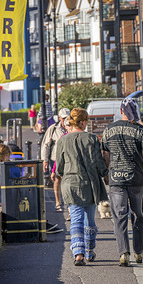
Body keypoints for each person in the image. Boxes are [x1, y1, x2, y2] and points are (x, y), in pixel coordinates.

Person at [101, 97, 143, 267]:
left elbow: (105, 155)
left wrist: (106, 174)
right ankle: (138, 252)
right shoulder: (140, 130)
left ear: (120, 111)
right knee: (138, 216)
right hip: (137, 179)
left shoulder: (108, 130)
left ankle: (124, 253)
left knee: (119, 216)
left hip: (116, 180)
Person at [56, 108, 109, 266]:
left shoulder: (63, 140)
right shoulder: (92, 139)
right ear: (83, 122)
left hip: (70, 185)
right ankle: (89, 251)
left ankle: (77, 253)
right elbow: (98, 162)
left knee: (76, 220)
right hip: (90, 185)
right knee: (89, 221)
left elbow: (59, 167)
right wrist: (105, 173)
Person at [41, 108, 70, 211]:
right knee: (57, 180)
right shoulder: (53, 129)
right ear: (59, 118)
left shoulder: (72, 128)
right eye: (64, 118)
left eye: (68, 118)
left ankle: (69, 205)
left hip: (69, 158)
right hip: (55, 158)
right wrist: (45, 160)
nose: (66, 120)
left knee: (68, 181)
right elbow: (46, 145)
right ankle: (58, 203)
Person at [50, 117, 72, 219]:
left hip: (73, 169)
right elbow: (58, 157)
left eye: (70, 125)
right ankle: (70, 211)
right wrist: (54, 170)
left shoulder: (77, 136)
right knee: (67, 189)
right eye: (68, 125)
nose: (69, 127)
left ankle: (71, 211)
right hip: (65, 168)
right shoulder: (63, 138)